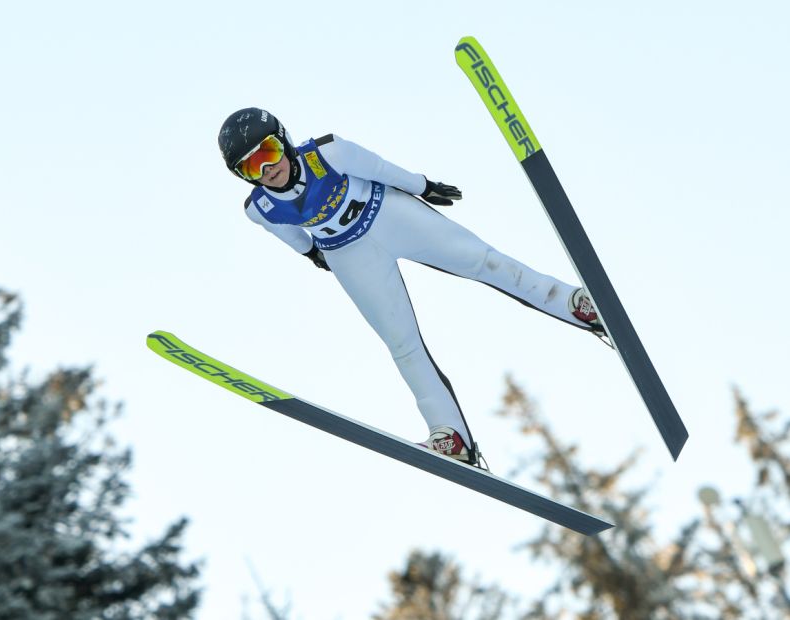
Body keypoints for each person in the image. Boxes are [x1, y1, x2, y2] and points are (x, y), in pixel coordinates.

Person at [218, 107, 601, 467]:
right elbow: (289, 234)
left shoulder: (329, 153)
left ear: (283, 140)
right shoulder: (260, 208)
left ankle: (574, 303)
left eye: (268, 152)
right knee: (401, 343)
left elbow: (379, 167)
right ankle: (451, 437)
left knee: (484, 261)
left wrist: (423, 186)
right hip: (348, 253)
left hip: (388, 214)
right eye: (251, 166)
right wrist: (313, 254)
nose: (267, 169)